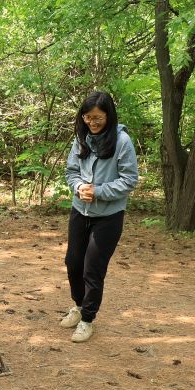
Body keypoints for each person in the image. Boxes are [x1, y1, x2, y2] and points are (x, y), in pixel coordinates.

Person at [59, 91, 139, 342]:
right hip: (79, 210)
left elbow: (129, 180)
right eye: (87, 117)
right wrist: (78, 187)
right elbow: (71, 171)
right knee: (73, 262)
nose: (92, 123)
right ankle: (79, 305)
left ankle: (87, 319)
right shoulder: (81, 138)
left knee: (92, 268)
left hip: (108, 215)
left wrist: (98, 192)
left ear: (108, 116)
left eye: (98, 118)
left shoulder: (122, 141)